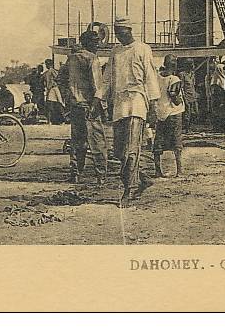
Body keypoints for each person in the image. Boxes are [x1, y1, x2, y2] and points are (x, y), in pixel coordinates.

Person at [106, 16, 161, 208]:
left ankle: (127, 191)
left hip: (137, 102)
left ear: (130, 30)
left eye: (121, 33)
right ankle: (142, 179)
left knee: (131, 150)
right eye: (116, 34)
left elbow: (151, 78)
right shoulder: (115, 52)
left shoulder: (143, 49)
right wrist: (98, 100)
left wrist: (153, 106)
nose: (119, 37)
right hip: (119, 104)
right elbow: (107, 79)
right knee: (119, 152)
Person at [66, 30, 110, 185]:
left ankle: (76, 173)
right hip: (90, 105)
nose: (98, 44)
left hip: (75, 105)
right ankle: (101, 176)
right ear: (88, 42)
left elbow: (62, 80)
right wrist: (97, 106)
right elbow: (97, 86)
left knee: (78, 141)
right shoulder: (92, 59)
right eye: (95, 41)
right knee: (98, 142)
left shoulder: (71, 58)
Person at [154, 54, 185, 177]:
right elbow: (174, 96)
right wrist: (180, 101)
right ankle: (179, 171)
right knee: (177, 142)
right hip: (173, 112)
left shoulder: (157, 78)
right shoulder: (174, 79)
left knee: (159, 142)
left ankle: (157, 170)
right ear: (174, 65)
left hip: (160, 112)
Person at [178, 59, 199, 130]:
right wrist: (184, 98)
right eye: (191, 64)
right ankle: (187, 128)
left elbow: (193, 85)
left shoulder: (193, 74)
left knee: (195, 112)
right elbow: (181, 87)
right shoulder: (182, 74)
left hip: (193, 95)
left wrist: (195, 94)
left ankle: (190, 127)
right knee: (187, 113)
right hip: (186, 96)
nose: (192, 65)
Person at [43, 58, 65, 125]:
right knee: (50, 104)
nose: (46, 65)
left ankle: (62, 119)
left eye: (47, 64)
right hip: (50, 89)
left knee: (59, 104)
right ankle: (50, 120)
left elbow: (58, 78)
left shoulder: (52, 71)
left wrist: (54, 83)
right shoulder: (46, 73)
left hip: (54, 88)